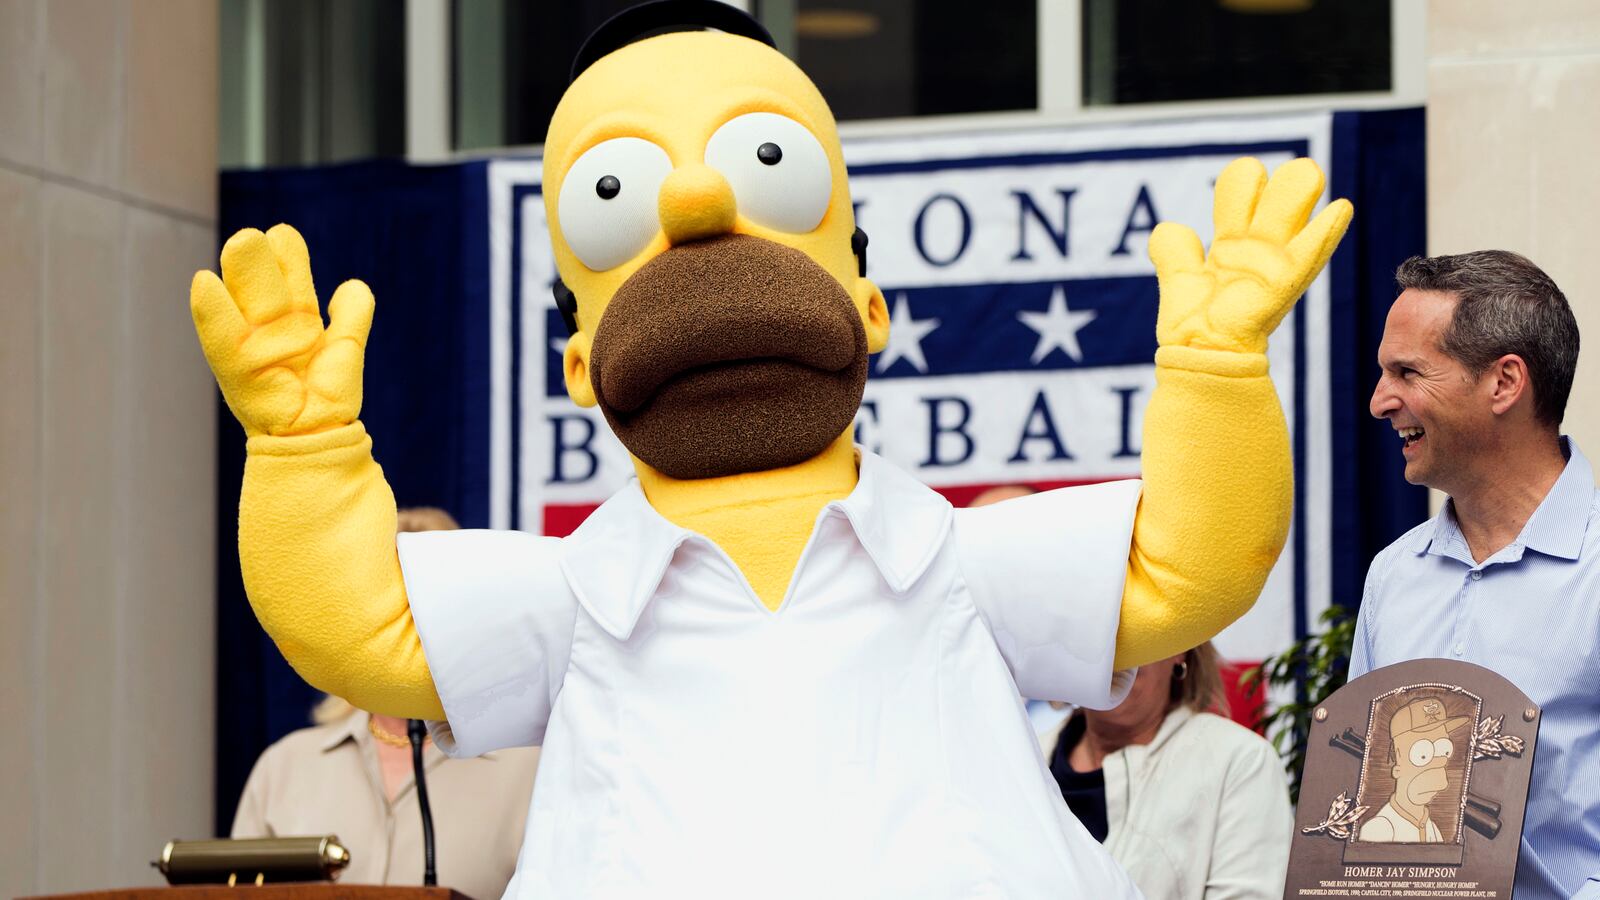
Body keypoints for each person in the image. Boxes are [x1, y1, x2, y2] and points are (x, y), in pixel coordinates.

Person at [1356, 250, 1596, 900]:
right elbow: (1359, 800)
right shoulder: (1392, 576)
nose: (1380, 401)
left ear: (1503, 383)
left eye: (1407, 372)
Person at [232, 508, 540, 900]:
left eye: (424, 600)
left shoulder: (530, 770)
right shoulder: (286, 766)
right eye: (385, 602)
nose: (404, 621)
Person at [1039, 641, 1292, 900]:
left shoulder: (1240, 762)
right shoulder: (1023, 755)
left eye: (1132, 630)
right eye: (1099, 630)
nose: (1115, 652)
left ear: (1181, 646)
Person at [1356, 696, 1470, 843]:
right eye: (1423, 754)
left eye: (1444, 750)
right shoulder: (1381, 829)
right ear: (1397, 762)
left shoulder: (1432, 829)